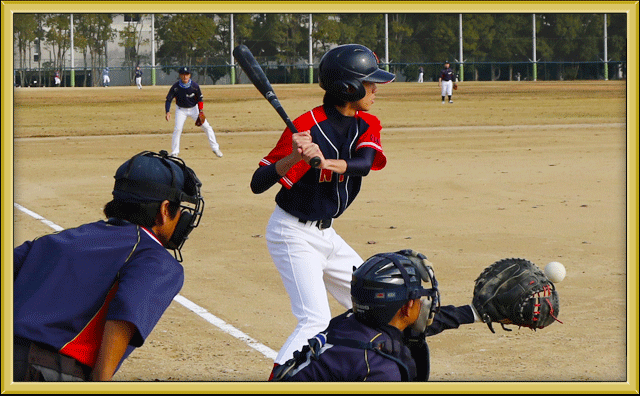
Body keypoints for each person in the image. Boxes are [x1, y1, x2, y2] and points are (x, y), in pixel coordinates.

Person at [249, 43, 395, 376]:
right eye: (369, 82)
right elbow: (258, 182)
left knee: (381, 300)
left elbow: (364, 163)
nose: (375, 89)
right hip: (292, 234)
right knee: (313, 318)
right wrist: (295, 157)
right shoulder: (305, 126)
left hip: (327, 234)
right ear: (349, 88)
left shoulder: (366, 124)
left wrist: (328, 161)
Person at [13, 150, 205, 381]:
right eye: (180, 210)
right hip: (46, 372)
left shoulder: (62, 238)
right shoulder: (153, 258)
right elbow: (125, 313)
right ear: (164, 211)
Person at [270, 249, 479, 381]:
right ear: (406, 308)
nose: (425, 304)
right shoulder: (380, 368)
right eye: (419, 299)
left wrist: (473, 313)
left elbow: (421, 324)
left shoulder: (348, 323)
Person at [165, 66, 223, 158]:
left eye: (187, 74)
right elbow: (168, 99)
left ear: (190, 75)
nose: (185, 77)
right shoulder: (176, 87)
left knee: (207, 127)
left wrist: (201, 111)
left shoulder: (195, 86)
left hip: (194, 109)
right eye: (183, 74)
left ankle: (215, 148)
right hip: (181, 110)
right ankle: (175, 152)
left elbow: (200, 99)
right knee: (178, 129)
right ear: (180, 75)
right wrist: (167, 112)